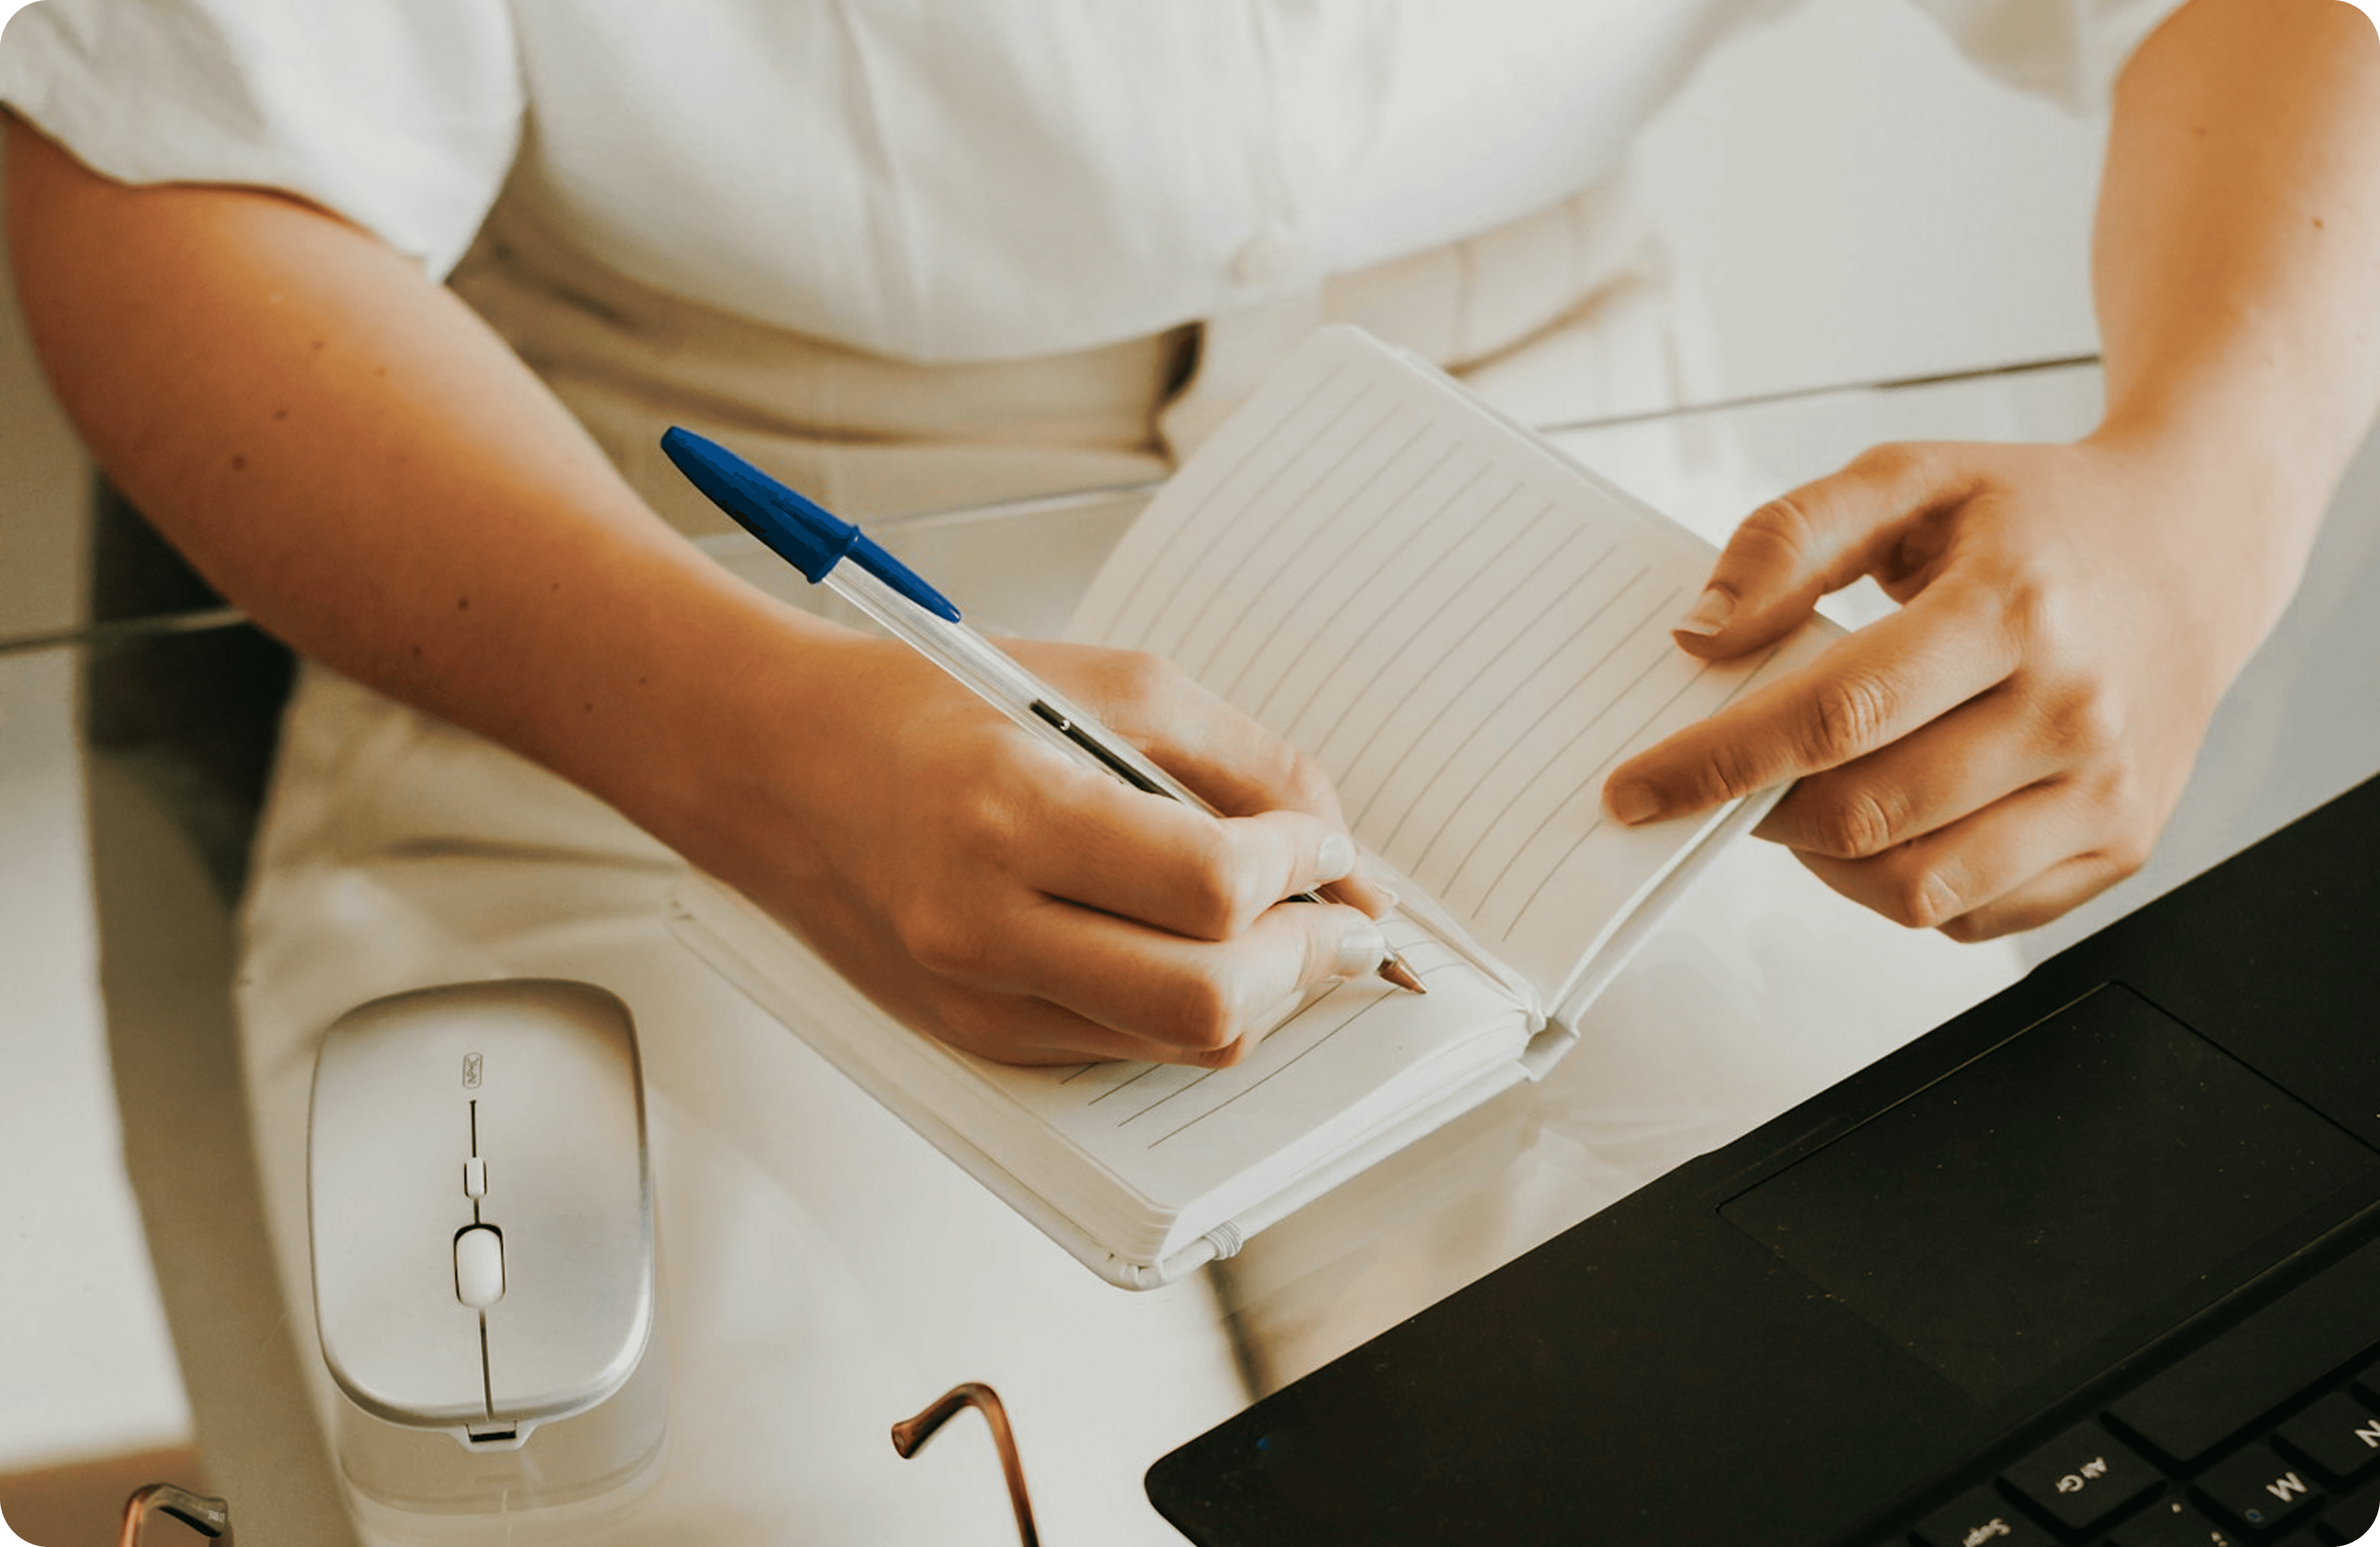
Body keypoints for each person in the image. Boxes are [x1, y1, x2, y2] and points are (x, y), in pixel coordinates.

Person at [6, 1, 2377, 1540]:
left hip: (1603, 565)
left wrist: (2206, 488)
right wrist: (739, 746)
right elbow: (152, 162)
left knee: (2036, 1439)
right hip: (672, 614)